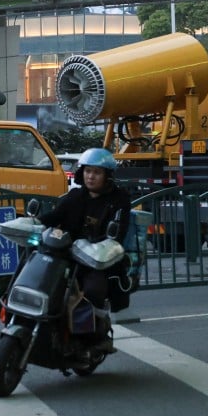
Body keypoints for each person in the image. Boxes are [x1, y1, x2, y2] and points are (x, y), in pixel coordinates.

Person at [37, 148, 132, 351]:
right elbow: (54, 216)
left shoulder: (119, 200)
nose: (91, 176)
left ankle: (93, 338)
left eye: (97, 172)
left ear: (107, 176)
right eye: (88, 171)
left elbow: (117, 234)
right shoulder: (75, 196)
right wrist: (34, 223)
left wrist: (99, 248)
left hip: (99, 260)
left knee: (92, 290)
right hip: (67, 255)